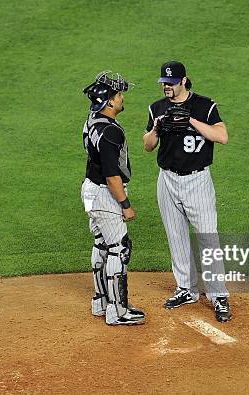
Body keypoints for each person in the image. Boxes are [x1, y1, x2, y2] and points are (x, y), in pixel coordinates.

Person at [143, 60, 232, 323]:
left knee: (208, 239)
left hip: (197, 181)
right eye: (163, 84)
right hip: (167, 180)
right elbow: (148, 145)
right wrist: (157, 128)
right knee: (176, 236)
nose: (166, 88)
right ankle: (186, 288)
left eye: (171, 84)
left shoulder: (204, 106)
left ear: (184, 81)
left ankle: (219, 296)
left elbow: (222, 136)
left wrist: (190, 121)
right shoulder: (157, 108)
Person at [81, 70, 145, 325]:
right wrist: (125, 205)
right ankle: (117, 310)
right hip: (106, 193)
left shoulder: (92, 120)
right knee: (119, 248)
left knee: (101, 243)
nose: (122, 98)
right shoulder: (111, 133)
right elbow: (112, 175)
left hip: (90, 189)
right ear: (109, 100)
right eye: (119, 95)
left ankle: (100, 302)